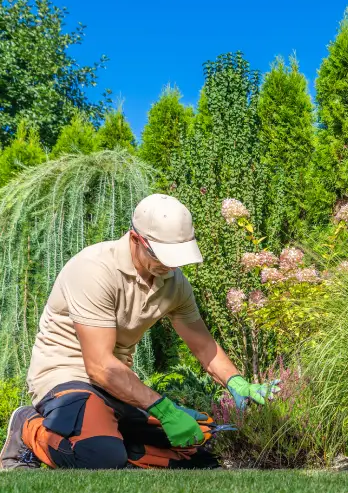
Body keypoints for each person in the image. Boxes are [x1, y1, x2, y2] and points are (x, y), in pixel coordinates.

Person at [0, 194, 275, 470]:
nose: (171, 266)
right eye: (163, 255)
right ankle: (28, 427)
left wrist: (237, 383)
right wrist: (164, 409)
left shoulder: (174, 283)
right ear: (135, 239)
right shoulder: (94, 269)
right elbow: (99, 367)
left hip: (116, 387)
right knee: (99, 456)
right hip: (66, 376)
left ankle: (114, 441)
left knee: (198, 450)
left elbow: (203, 346)